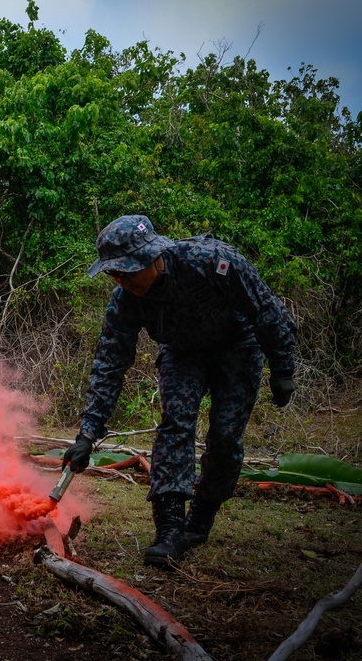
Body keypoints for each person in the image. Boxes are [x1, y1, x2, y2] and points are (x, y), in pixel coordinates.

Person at [63, 215, 297, 568]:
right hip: (181, 354)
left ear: (155, 257)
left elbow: (265, 309)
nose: (122, 280)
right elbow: (110, 363)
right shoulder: (125, 299)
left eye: (128, 270)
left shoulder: (212, 262)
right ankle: (170, 530)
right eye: (114, 274)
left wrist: (283, 368)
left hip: (238, 347)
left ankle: (200, 519)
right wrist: (88, 432)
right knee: (175, 425)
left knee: (225, 438)